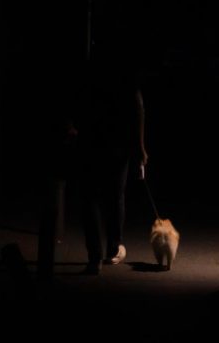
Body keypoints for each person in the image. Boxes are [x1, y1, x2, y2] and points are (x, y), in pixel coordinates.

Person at [73, 46, 148, 275]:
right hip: (117, 145)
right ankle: (113, 248)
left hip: (89, 142)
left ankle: (94, 257)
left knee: (90, 199)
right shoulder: (124, 77)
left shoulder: (88, 74)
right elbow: (137, 108)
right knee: (115, 197)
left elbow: (76, 102)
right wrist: (140, 148)